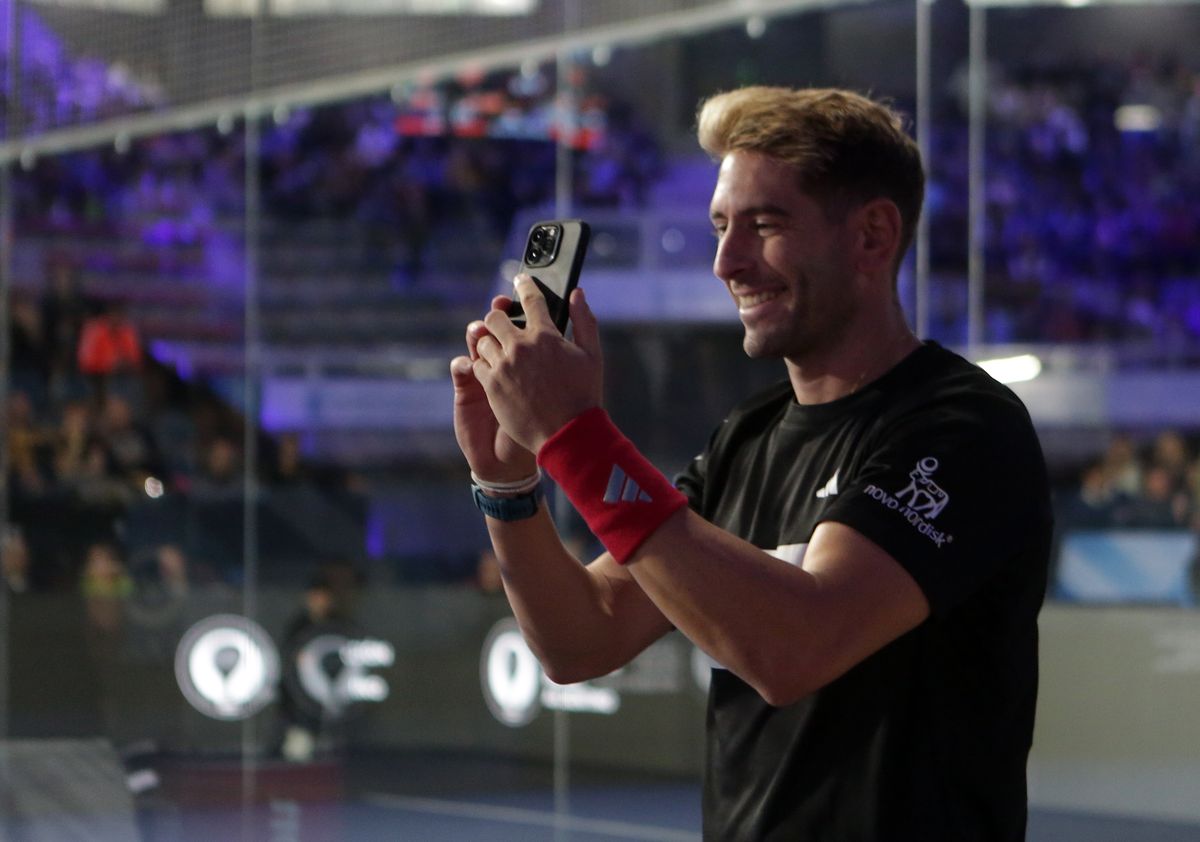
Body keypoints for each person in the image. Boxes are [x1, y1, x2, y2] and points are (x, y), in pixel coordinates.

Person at [450, 86, 1053, 840]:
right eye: (720, 226)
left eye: (763, 226)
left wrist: (575, 436)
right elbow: (584, 637)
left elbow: (797, 645)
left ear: (872, 236)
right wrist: (508, 484)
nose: (726, 262)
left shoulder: (963, 428)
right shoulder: (749, 434)